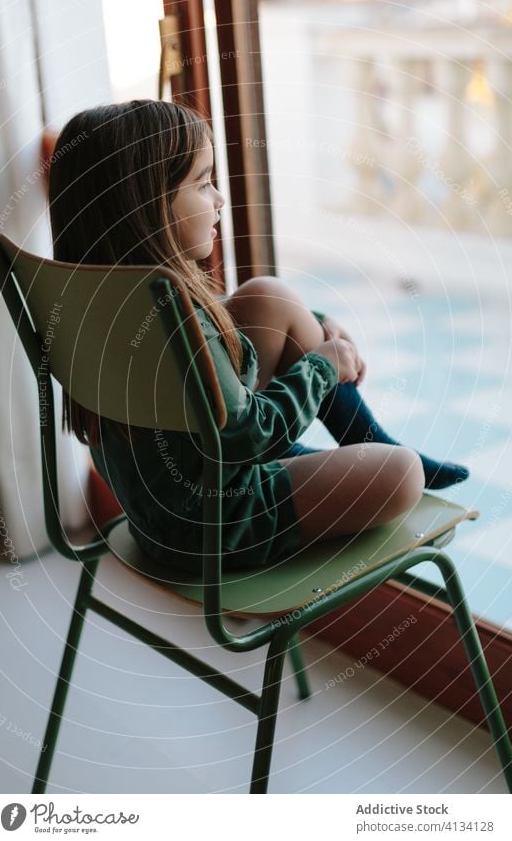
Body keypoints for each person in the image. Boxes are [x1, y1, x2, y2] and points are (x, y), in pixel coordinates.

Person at [48, 99, 469, 573]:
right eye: (203, 182)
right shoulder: (170, 319)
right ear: (145, 204)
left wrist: (316, 323)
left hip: (175, 496)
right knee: (402, 474)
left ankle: (360, 438)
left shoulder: (96, 301)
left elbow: (223, 364)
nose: (220, 199)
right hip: (212, 526)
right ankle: (360, 445)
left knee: (268, 296)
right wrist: (323, 366)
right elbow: (248, 435)